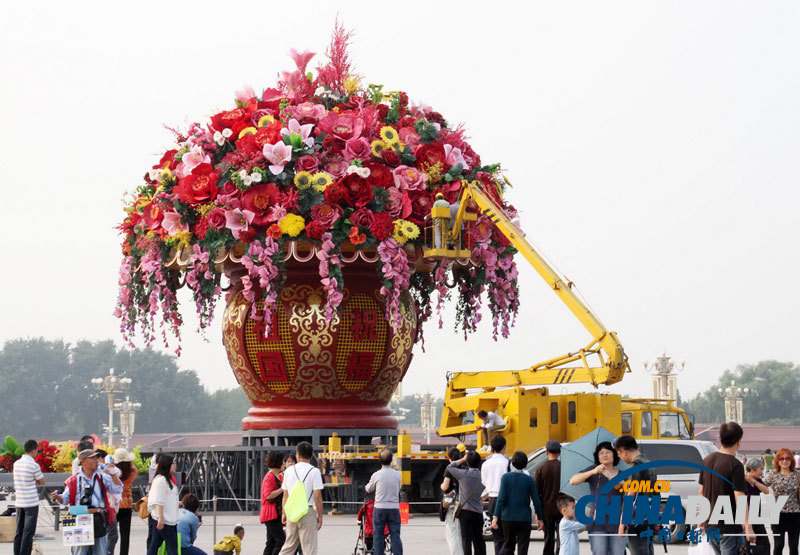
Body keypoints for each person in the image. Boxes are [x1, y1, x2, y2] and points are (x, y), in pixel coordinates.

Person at [51, 448, 123, 555]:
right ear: (84, 462)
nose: (96, 461)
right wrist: (57, 497)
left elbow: (117, 489)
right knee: (80, 552)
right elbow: (64, 500)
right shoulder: (74, 480)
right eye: (93, 458)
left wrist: (113, 476)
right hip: (79, 518)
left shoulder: (102, 477)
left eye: (96, 458)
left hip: (98, 517)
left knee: (101, 551)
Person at [697, 422, 752, 555]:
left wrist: (700, 521)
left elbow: (702, 493)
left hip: (711, 526)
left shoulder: (707, 460)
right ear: (738, 442)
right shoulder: (735, 465)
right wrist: (748, 526)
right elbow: (739, 497)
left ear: (720, 439)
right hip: (729, 528)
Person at [569, 441, 627, 555]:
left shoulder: (622, 474)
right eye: (601, 453)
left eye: (608, 452)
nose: (604, 455)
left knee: (617, 553)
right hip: (597, 522)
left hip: (617, 522)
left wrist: (613, 478)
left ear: (614, 455)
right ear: (598, 457)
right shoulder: (593, 472)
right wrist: (593, 471)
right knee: (599, 552)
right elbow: (573, 481)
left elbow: (631, 489)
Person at [491, 451, 544, 555]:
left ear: (512, 463)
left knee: (508, 546)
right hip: (524, 518)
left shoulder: (505, 478)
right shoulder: (529, 480)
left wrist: (495, 516)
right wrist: (540, 518)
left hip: (508, 517)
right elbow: (536, 501)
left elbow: (501, 498)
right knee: (523, 548)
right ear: (525, 464)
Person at [614, 435, 657, 555]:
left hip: (637, 518)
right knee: (647, 550)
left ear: (624, 451)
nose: (620, 458)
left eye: (619, 454)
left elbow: (630, 496)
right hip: (649, 516)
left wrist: (622, 523)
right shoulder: (648, 463)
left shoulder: (635, 466)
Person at [279, 442, 323, 555]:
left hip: (292, 512)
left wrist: (284, 513)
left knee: (289, 546)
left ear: (297, 455)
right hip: (307, 511)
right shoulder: (315, 471)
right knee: (309, 548)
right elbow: (317, 496)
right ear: (312, 455)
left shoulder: (288, 471)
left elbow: (285, 495)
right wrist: (320, 516)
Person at [444, 451, 486, 555]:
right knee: (479, 540)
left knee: (466, 541)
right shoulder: (483, 475)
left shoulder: (463, 475)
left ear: (467, 462)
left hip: (465, 512)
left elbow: (450, 467)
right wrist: (485, 497)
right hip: (478, 512)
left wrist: (463, 459)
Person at [365, 450, 403, 555]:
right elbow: (399, 487)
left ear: (379, 461)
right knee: (395, 534)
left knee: (378, 535)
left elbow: (369, 488)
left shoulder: (376, 475)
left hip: (380, 508)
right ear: (391, 460)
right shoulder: (398, 475)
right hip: (394, 508)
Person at [764, 447, 800, 555]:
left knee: (793, 546)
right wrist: (752, 480)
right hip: (778, 513)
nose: (784, 461)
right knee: (779, 545)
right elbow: (761, 485)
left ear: (792, 460)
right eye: (781, 458)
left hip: (795, 513)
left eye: (787, 458)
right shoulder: (773, 475)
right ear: (777, 461)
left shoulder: (797, 474)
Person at [13, 439, 45, 555]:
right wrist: (34, 482)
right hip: (31, 503)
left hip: (19, 502)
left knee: (19, 532)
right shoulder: (33, 465)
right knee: (28, 533)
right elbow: (42, 481)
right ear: (33, 451)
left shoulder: (16, 464)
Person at [147, 453, 180, 555]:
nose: (175, 466)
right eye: (173, 463)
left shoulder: (167, 479)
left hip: (168, 518)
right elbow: (158, 501)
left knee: (155, 544)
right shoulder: (160, 480)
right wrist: (160, 518)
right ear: (167, 465)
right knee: (172, 544)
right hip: (165, 519)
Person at [481, 435, 509, 554]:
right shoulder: (508, 463)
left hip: (492, 500)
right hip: (507, 501)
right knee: (508, 536)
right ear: (504, 447)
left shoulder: (486, 464)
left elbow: (484, 482)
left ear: (492, 448)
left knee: (497, 537)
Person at [535, 440, 562, 555]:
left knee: (548, 538)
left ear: (547, 452)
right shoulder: (563, 468)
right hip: (562, 508)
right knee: (562, 538)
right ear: (559, 453)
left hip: (546, 508)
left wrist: (538, 513)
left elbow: (537, 492)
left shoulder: (540, 468)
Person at [111, 447, 138, 555]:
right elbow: (134, 468)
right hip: (127, 503)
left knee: (111, 533)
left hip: (115, 503)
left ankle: (109, 552)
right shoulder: (132, 471)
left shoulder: (113, 472)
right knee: (125, 534)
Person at [440, 446, 464, 555]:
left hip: (452, 502)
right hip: (463, 501)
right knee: (460, 532)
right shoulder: (464, 467)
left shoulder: (450, 468)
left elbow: (445, 487)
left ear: (448, 457)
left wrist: (440, 486)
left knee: (452, 531)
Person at [744, 458, 771, 553]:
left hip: (756, 516)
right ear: (752, 470)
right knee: (745, 546)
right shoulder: (741, 481)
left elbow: (766, 491)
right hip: (744, 518)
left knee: (765, 545)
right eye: (761, 469)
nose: (762, 472)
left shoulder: (757, 480)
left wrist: (754, 481)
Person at [261, 451, 286, 555]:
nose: (284, 464)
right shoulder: (269, 477)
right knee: (281, 541)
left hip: (273, 513)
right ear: (278, 463)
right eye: (283, 462)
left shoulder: (277, 475)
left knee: (271, 542)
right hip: (271, 514)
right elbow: (268, 495)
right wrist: (282, 488)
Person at [99, 451, 123, 555]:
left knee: (109, 535)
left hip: (108, 506)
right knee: (112, 535)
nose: (112, 466)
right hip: (108, 507)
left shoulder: (110, 472)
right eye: (110, 464)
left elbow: (118, 487)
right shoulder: (103, 473)